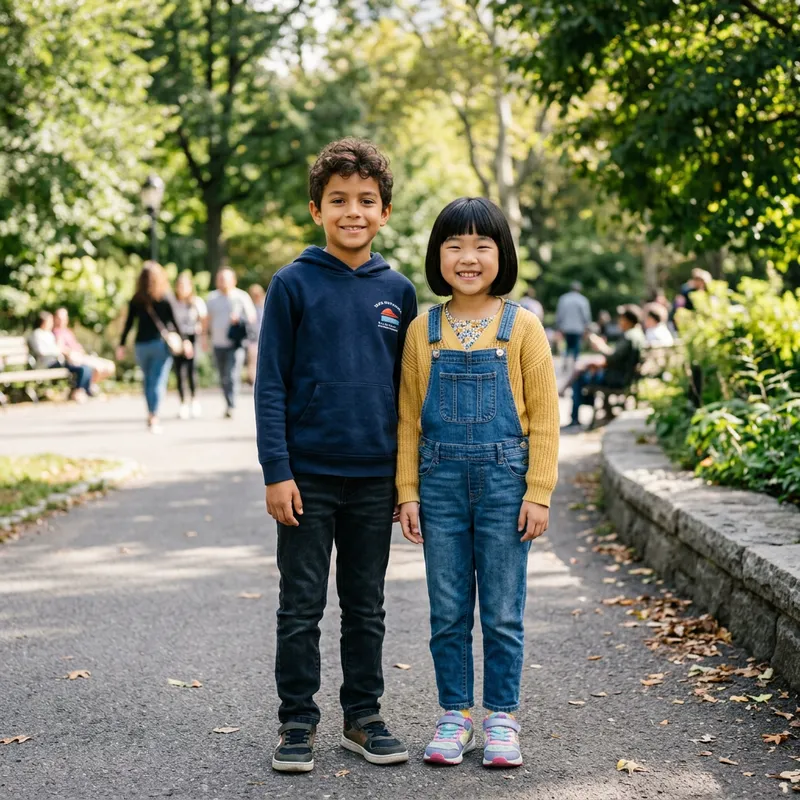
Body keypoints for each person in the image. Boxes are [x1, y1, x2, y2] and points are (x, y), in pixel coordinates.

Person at [256, 138, 417, 773]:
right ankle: (297, 723)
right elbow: (271, 384)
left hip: (375, 478)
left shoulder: (398, 292)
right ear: (317, 210)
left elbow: (409, 397)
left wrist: (408, 485)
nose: (353, 211)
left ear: (384, 212)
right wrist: (277, 471)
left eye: (366, 201)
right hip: (308, 478)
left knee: (365, 604)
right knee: (300, 605)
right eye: (339, 200)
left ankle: (364, 716)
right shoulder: (292, 284)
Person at [397, 198, 560, 769]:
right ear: (437, 256)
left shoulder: (523, 327)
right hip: (438, 483)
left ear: (502, 255)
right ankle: (454, 716)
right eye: (454, 246)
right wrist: (408, 492)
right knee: (447, 608)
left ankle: (501, 718)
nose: (468, 258)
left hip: (505, 486)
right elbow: (408, 419)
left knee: (502, 610)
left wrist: (537, 492)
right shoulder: (424, 330)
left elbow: (544, 417)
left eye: (482, 246)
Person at [116, 261, 180, 434]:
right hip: (160, 344)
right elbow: (175, 321)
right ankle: (154, 415)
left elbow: (129, 324)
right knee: (158, 380)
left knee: (148, 380)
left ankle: (151, 413)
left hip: (141, 345)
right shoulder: (165, 297)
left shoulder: (136, 299)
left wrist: (121, 344)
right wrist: (184, 340)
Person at [565, 304, 646, 429]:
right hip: (625, 377)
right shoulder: (637, 334)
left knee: (580, 378)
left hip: (617, 379)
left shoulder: (629, 336)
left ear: (627, 320)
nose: (619, 321)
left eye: (621, 318)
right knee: (584, 370)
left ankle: (574, 417)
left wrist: (600, 346)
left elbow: (612, 358)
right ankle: (589, 407)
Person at [205, 267, 256, 418]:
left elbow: (252, 318)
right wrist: (204, 338)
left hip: (236, 343)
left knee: (232, 373)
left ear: (233, 281)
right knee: (223, 376)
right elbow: (207, 320)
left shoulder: (241, 296)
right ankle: (228, 401)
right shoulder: (212, 298)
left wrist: (238, 318)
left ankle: (231, 405)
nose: (222, 282)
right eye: (220, 279)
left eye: (225, 279)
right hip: (218, 342)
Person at [29, 311, 93, 401]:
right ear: (43, 322)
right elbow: (42, 351)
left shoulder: (49, 334)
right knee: (82, 368)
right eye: (50, 321)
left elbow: (57, 348)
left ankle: (83, 391)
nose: (52, 323)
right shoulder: (37, 334)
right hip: (48, 364)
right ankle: (78, 392)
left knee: (85, 368)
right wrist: (58, 351)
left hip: (59, 361)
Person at [52, 308, 116, 389]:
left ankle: (89, 385)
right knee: (98, 369)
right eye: (59, 318)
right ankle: (87, 388)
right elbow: (60, 348)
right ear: (55, 318)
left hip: (82, 355)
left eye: (64, 318)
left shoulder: (68, 331)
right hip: (74, 358)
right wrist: (71, 352)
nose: (62, 321)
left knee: (110, 366)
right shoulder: (56, 333)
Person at [173, 271, 207, 419]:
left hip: (192, 337)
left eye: (184, 286)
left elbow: (204, 319)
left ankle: (194, 399)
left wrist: (202, 333)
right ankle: (183, 402)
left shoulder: (196, 302)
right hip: (177, 339)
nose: (181, 288)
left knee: (191, 369)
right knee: (179, 371)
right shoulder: (173, 302)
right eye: (179, 285)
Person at [555, 281, 591, 372]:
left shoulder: (564, 299)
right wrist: (587, 326)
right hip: (578, 328)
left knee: (567, 345)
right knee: (576, 346)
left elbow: (560, 314)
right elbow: (585, 315)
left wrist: (559, 325)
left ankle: (565, 362)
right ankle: (575, 364)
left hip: (566, 327)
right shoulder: (583, 300)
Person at [246, 283, 266, 385]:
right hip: (253, 338)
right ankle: (254, 382)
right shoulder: (249, 306)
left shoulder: (265, 304)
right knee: (253, 361)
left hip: (264, 337)